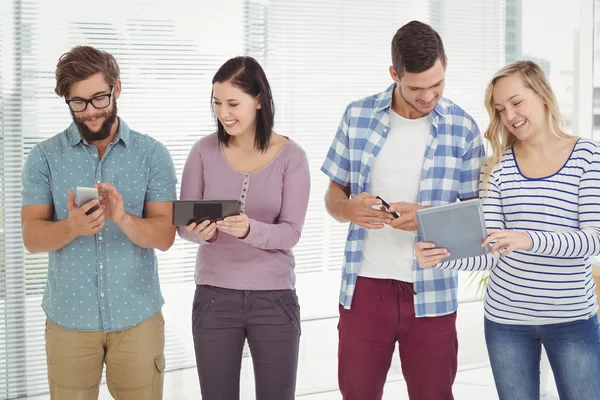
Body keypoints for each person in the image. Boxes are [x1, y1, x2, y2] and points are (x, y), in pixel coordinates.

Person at [415, 60, 600, 400]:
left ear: (542, 95)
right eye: (500, 109)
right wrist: (438, 257)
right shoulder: (498, 166)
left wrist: (527, 239)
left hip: (571, 317)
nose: (509, 115)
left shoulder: (587, 156)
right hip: (506, 321)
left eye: (516, 102)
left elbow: (592, 240)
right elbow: (490, 252)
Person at [321, 20, 485, 400]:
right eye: (416, 87)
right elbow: (334, 194)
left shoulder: (463, 128)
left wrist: (425, 217)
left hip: (433, 293)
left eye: (437, 84)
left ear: (445, 64)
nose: (429, 96)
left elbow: (473, 218)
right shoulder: (357, 116)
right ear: (394, 74)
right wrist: (349, 210)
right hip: (365, 288)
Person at [20, 46, 177, 399]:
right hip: (68, 323)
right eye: (78, 102)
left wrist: (122, 218)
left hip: (138, 319)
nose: (90, 112)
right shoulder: (44, 157)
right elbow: (31, 236)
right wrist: (71, 227)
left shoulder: (153, 155)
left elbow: (165, 235)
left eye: (99, 98)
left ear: (117, 89)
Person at [177, 56, 310, 400]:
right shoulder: (202, 151)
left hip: (274, 300)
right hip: (214, 298)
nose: (224, 113)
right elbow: (183, 226)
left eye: (233, 103)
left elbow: (292, 232)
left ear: (259, 100)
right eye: (217, 103)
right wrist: (199, 233)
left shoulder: (292, 157)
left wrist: (252, 230)